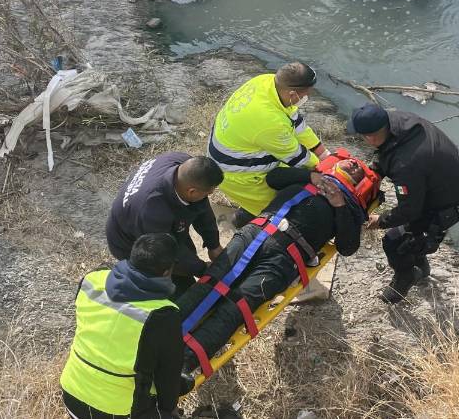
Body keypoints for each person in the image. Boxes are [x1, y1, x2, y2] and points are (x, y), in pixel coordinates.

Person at [178, 159, 371, 376]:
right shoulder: (309, 176)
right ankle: (159, 332)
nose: (354, 164)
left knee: (237, 306)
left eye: (358, 170)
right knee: (211, 282)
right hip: (255, 232)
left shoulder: (348, 208)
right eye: (351, 161)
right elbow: (274, 178)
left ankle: (183, 364)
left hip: (285, 257)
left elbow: (347, 247)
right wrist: (311, 177)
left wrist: (339, 206)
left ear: (358, 185)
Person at [348, 104, 459, 304]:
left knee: (394, 242)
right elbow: (387, 152)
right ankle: (422, 268)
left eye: (363, 136)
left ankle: (405, 277)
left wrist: (380, 220)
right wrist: (375, 172)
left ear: (371, 137)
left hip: (446, 204)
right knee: (413, 240)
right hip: (449, 181)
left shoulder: (406, 165)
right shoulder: (399, 120)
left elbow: (409, 210)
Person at [60, 233, 183, 419]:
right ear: (167, 271)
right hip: (115, 411)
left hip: (71, 393)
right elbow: (168, 375)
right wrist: (169, 409)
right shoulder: (163, 314)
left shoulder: (92, 279)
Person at [208, 62, 331, 220]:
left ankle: (247, 211)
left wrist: (323, 153)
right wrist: (326, 169)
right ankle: (246, 219)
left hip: (235, 146)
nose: (309, 96)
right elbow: (299, 158)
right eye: (307, 94)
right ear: (293, 94)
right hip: (236, 173)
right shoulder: (270, 122)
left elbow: (295, 121)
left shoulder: (266, 82)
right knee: (279, 211)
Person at [106, 153, 225, 294]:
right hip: (128, 241)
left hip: (153, 223)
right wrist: (202, 269)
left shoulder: (184, 164)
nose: (207, 197)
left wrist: (214, 245)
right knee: (176, 286)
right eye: (207, 194)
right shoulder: (153, 210)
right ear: (191, 191)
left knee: (186, 255)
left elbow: (201, 207)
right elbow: (170, 252)